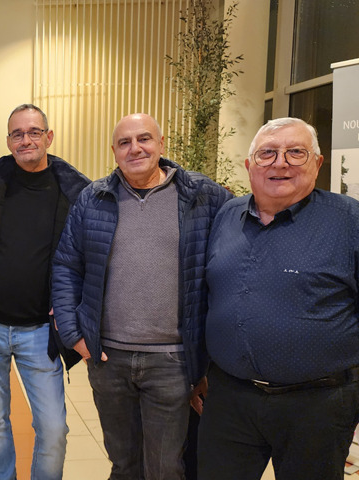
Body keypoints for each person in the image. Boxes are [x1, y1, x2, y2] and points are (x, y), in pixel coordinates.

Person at [199, 117, 359, 480]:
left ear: (317, 163)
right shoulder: (227, 216)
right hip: (230, 399)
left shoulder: (350, 222)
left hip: (318, 407)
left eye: (296, 152)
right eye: (267, 153)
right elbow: (206, 299)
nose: (280, 163)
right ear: (249, 165)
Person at [51, 113, 231, 479]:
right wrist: (74, 336)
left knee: (165, 468)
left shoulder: (202, 195)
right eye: (124, 142)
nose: (135, 148)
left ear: (161, 144)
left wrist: (208, 357)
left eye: (144, 139)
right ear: (114, 151)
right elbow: (66, 267)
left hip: (172, 361)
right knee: (124, 465)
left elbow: (236, 255)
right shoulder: (93, 198)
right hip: (108, 359)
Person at [0, 104, 90, 480]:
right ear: (9, 141)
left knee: (54, 429)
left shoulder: (74, 191)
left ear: (49, 137)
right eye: (17, 133)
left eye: (33, 132)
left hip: (42, 332)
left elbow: (91, 258)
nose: (25, 139)